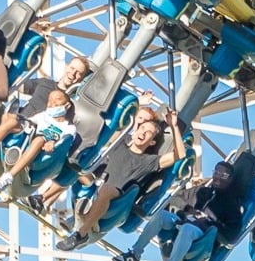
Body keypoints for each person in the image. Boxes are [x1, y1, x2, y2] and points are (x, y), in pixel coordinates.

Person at [55, 107, 185, 251]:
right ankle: (50, 201)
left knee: (107, 189)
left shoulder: (150, 161)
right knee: (78, 167)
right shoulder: (120, 144)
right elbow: (110, 130)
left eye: (149, 133)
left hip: (118, 201)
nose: (143, 133)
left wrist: (174, 126)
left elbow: (179, 155)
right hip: (97, 189)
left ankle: (80, 234)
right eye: (142, 128)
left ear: (152, 142)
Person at [114, 160, 242, 261]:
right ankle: (135, 252)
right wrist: (187, 209)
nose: (218, 177)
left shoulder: (231, 204)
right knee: (161, 215)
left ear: (230, 180)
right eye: (217, 172)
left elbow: (232, 234)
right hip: (185, 221)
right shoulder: (202, 191)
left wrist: (208, 221)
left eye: (223, 175)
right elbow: (176, 198)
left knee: (188, 229)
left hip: (203, 234)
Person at [0, 56, 90, 171]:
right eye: (72, 68)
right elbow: (19, 85)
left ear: (82, 78)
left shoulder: (70, 106)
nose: (73, 74)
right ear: (66, 67)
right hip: (19, 120)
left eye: (78, 73)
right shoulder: (45, 84)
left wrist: (53, 142)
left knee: (11, 123)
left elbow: (65, 129)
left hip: (36, 133)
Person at [0, 88, 79, 198]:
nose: (52, 103)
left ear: (67, 105)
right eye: (49, 100)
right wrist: (13, 119)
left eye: (57, 100)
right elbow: (28, 122)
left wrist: (52, 143)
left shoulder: (68, 128)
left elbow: (65, 141)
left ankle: (8, 177)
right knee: (11, 121)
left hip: (39, 161)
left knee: (40, 139)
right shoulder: (43, 116)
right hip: (25, 146)